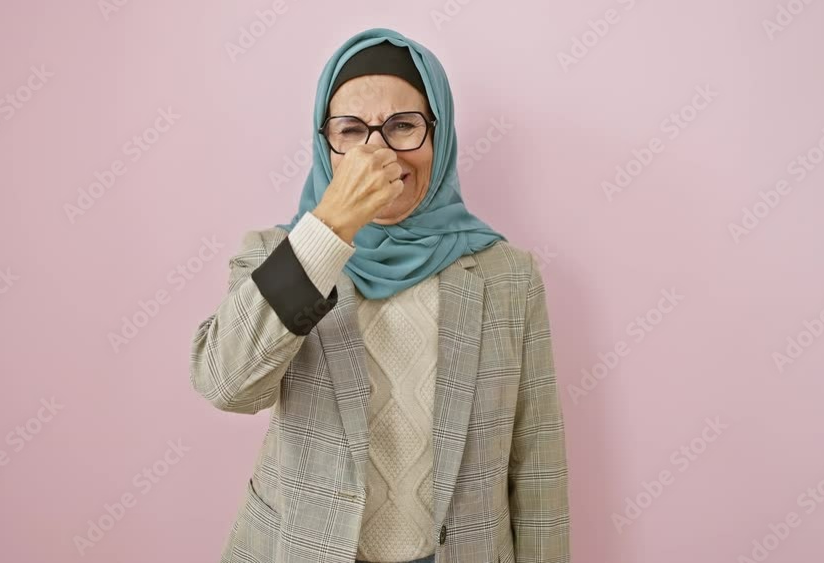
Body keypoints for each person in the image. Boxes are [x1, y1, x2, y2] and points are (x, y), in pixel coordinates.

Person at [189, 27, 570, 563]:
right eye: (350, 130)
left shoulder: (507, 274)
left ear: (440, 136)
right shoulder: (276, 254)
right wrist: (331, 226)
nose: (378, 151)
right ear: (325, 146)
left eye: (403, 126)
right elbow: (228, 386)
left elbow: (538, 464)